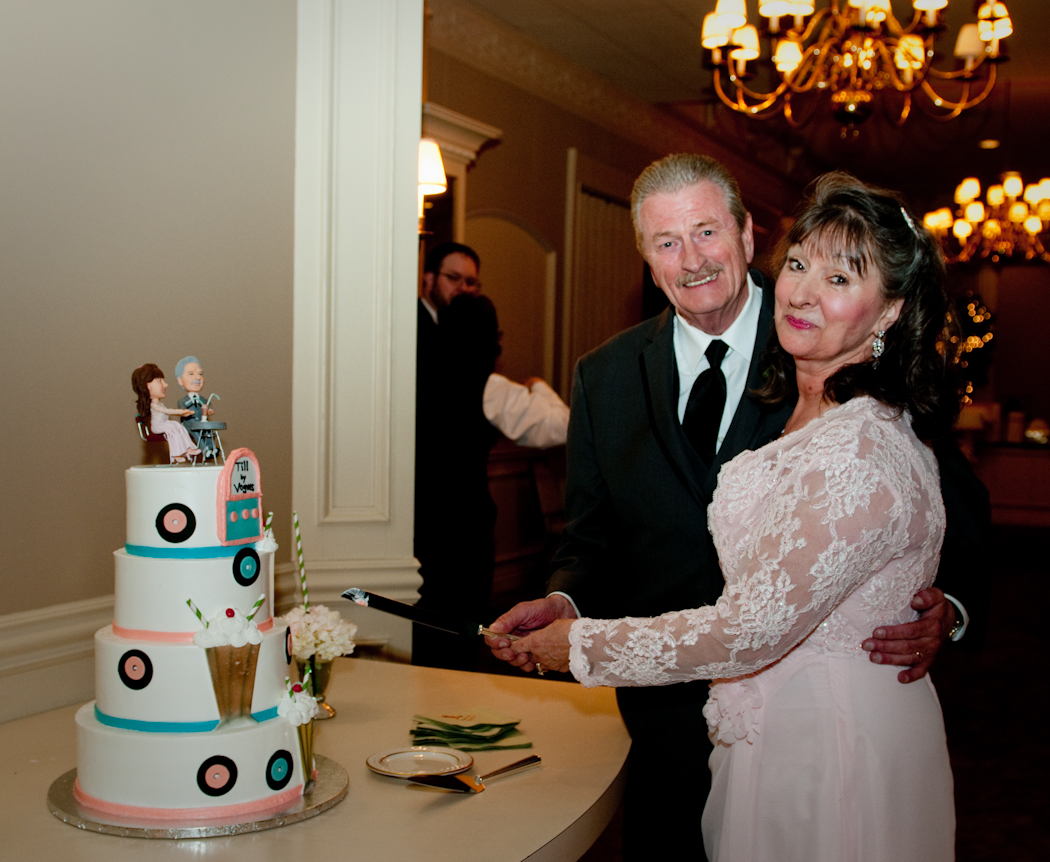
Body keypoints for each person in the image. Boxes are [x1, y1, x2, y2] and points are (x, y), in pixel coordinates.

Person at [486, 156, 987, 859]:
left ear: (747, 235)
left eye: (706, 232)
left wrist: (945, 610)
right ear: (646, 259)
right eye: (667, 242)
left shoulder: (825, 340)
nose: (692, 260)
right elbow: (591, 535)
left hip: (818, 725)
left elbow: (945, 503)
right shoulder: (604, 375)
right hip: (660, 717)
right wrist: (564, 601)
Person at [414, 243, 569, 670]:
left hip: (421, 523)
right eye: (454, 279)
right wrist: (538, 386)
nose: (464, 288)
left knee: (431, 632)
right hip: (461, 525)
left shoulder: (417, 362)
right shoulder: (486, 385)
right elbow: (561, 425)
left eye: (472, 282)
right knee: (457, 632)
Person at [132, 363, 200, 464]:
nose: (165, 384)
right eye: (160, 381)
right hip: (158, 426)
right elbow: (167, 411)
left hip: (164, 423)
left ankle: (188, 448)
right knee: (172, 430)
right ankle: (176, 453)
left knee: (178, 426)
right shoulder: (154, 405)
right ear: (148, 386)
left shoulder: (159, 404)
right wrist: (181, 412)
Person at [175, 355, 219, 459]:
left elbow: (209, 406)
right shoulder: (183, 401)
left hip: (201, 422)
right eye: (191, 374)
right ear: (180, 380)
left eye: (200, 374)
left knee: (208, 431)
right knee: (196, 433)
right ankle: (205, 450)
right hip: (189, 424)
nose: (198, 378)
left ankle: (212, 448)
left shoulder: (203, 400)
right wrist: (187, 412)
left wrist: (210, 410)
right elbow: (182, 410)